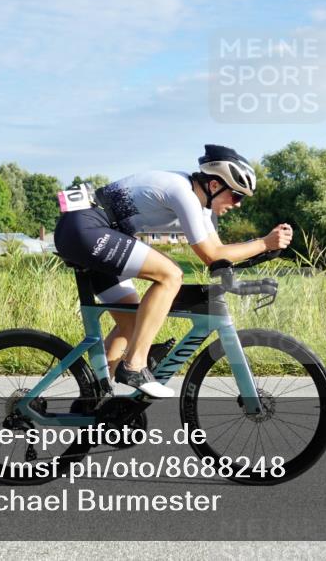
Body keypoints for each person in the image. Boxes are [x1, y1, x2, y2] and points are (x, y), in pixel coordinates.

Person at [54, 145, 293, 398]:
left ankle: (98, 401)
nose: (238, 205)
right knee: (170, 275)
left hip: (94, 231)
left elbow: (218, 255)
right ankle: (134, 365)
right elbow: (210, 254)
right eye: (236, 196)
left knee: (133, 324)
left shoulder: (202, 209)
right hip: (87, 227)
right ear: (214, 186)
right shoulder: (183, 193)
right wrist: (264, 243)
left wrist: (261, 256)